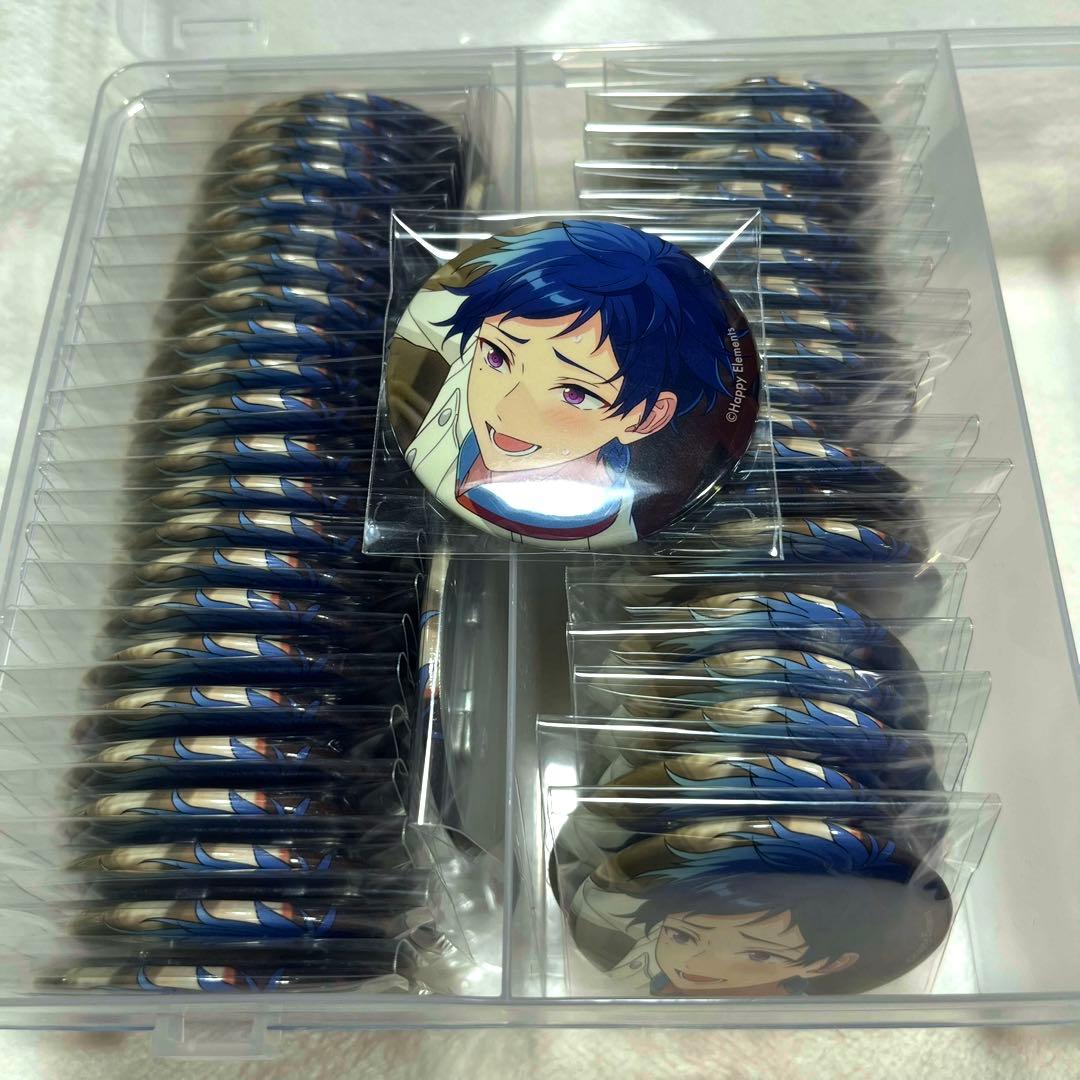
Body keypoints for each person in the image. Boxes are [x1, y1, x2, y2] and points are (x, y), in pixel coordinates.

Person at [390, 220, 753, 547]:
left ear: (646, 418)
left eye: (575, 393)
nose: (505, 410)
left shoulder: (607, 527)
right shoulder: (483, 348)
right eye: (499, 358)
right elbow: (433, 308)